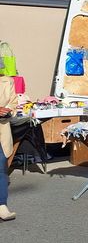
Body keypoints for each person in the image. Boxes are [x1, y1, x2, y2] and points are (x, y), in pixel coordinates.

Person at [0, 75, 17, 221]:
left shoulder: (7, 81)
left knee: (1, 167)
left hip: (2, 130)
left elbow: (13, 103)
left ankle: (2, 206)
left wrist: (8, 111)